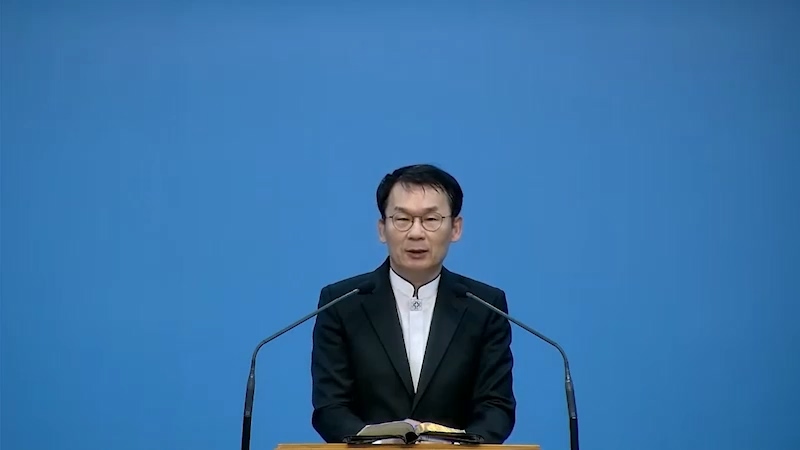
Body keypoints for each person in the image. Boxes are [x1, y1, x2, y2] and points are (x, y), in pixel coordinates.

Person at [310, 164, 515, 444]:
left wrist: (456, 446)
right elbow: (330, 407)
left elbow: (496, 406)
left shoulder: (484, 306)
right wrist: (378, 443)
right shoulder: (342, 303)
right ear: (382, 229)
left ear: (455, 228)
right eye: (402, 219)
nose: (416, 233)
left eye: (431, 219)